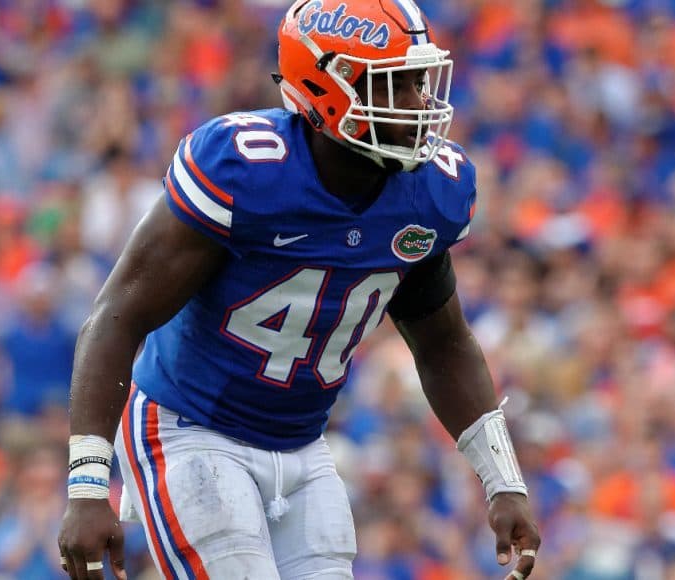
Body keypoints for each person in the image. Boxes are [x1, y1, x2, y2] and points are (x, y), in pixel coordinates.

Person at [56, 1, 541, 579]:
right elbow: (117, 316)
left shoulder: (428, 193)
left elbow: (443, 343)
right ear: (327, 89)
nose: (420, 103)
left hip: (304, 446)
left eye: (419, 80)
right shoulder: (245, 170)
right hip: (189, 430)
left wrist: (503, 481)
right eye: (396, 85)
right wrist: (88, 484)